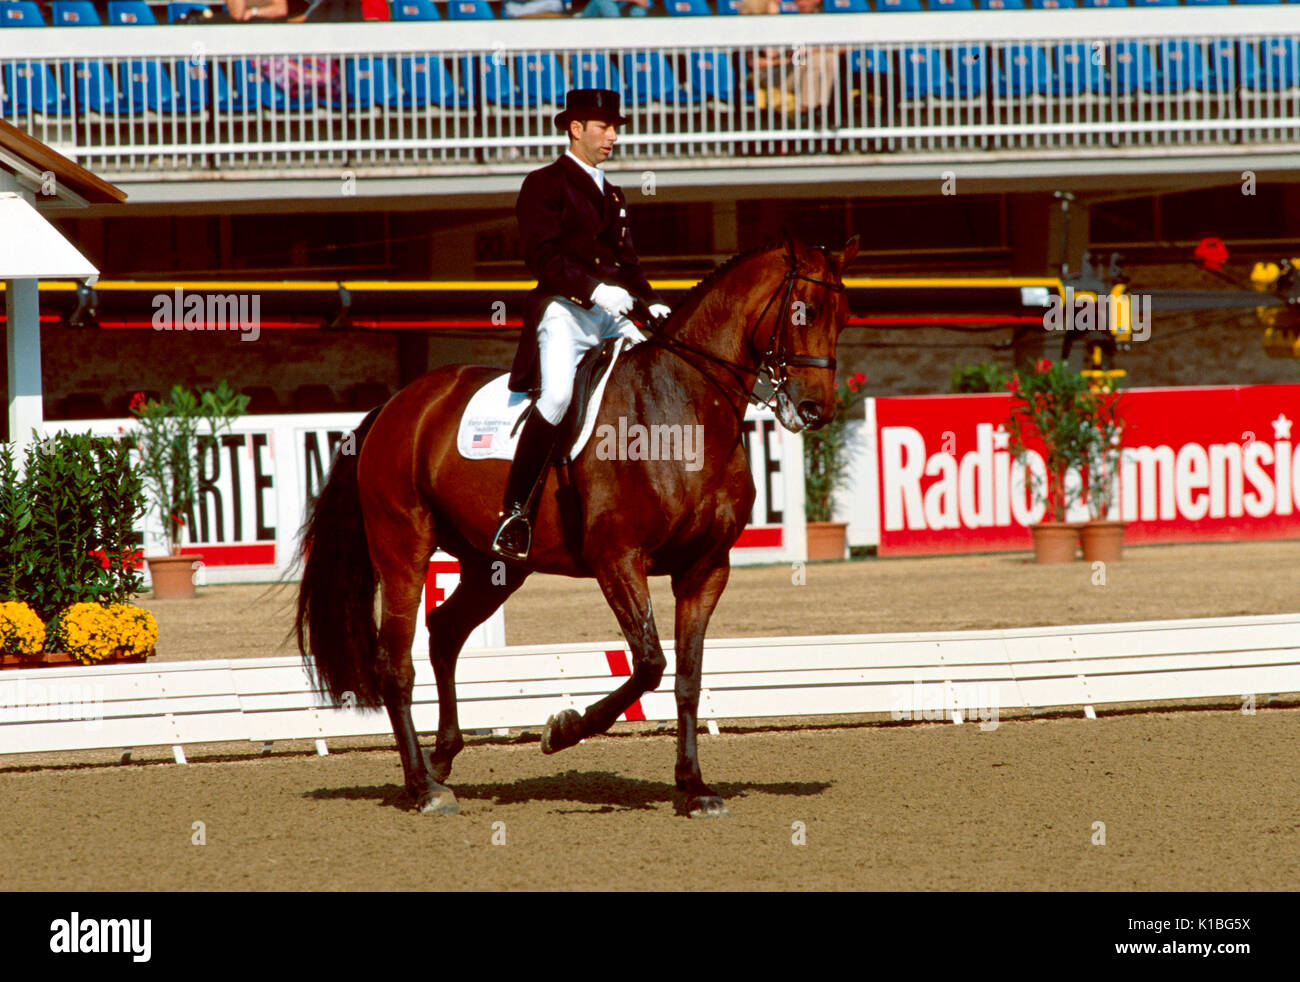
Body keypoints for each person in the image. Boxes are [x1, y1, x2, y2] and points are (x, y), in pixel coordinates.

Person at [493, 88, 671, 562]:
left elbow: (627, 263)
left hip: (611, 315)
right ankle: (515, 513)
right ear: (576, 129)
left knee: (657, 378)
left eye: (615, 128)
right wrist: (593, 290)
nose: (613, 136)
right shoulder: (544, 184)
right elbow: (543, 257)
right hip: (565, 311)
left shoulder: (612, 192)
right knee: (555, 396)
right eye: (604, 127)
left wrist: (651, 303)